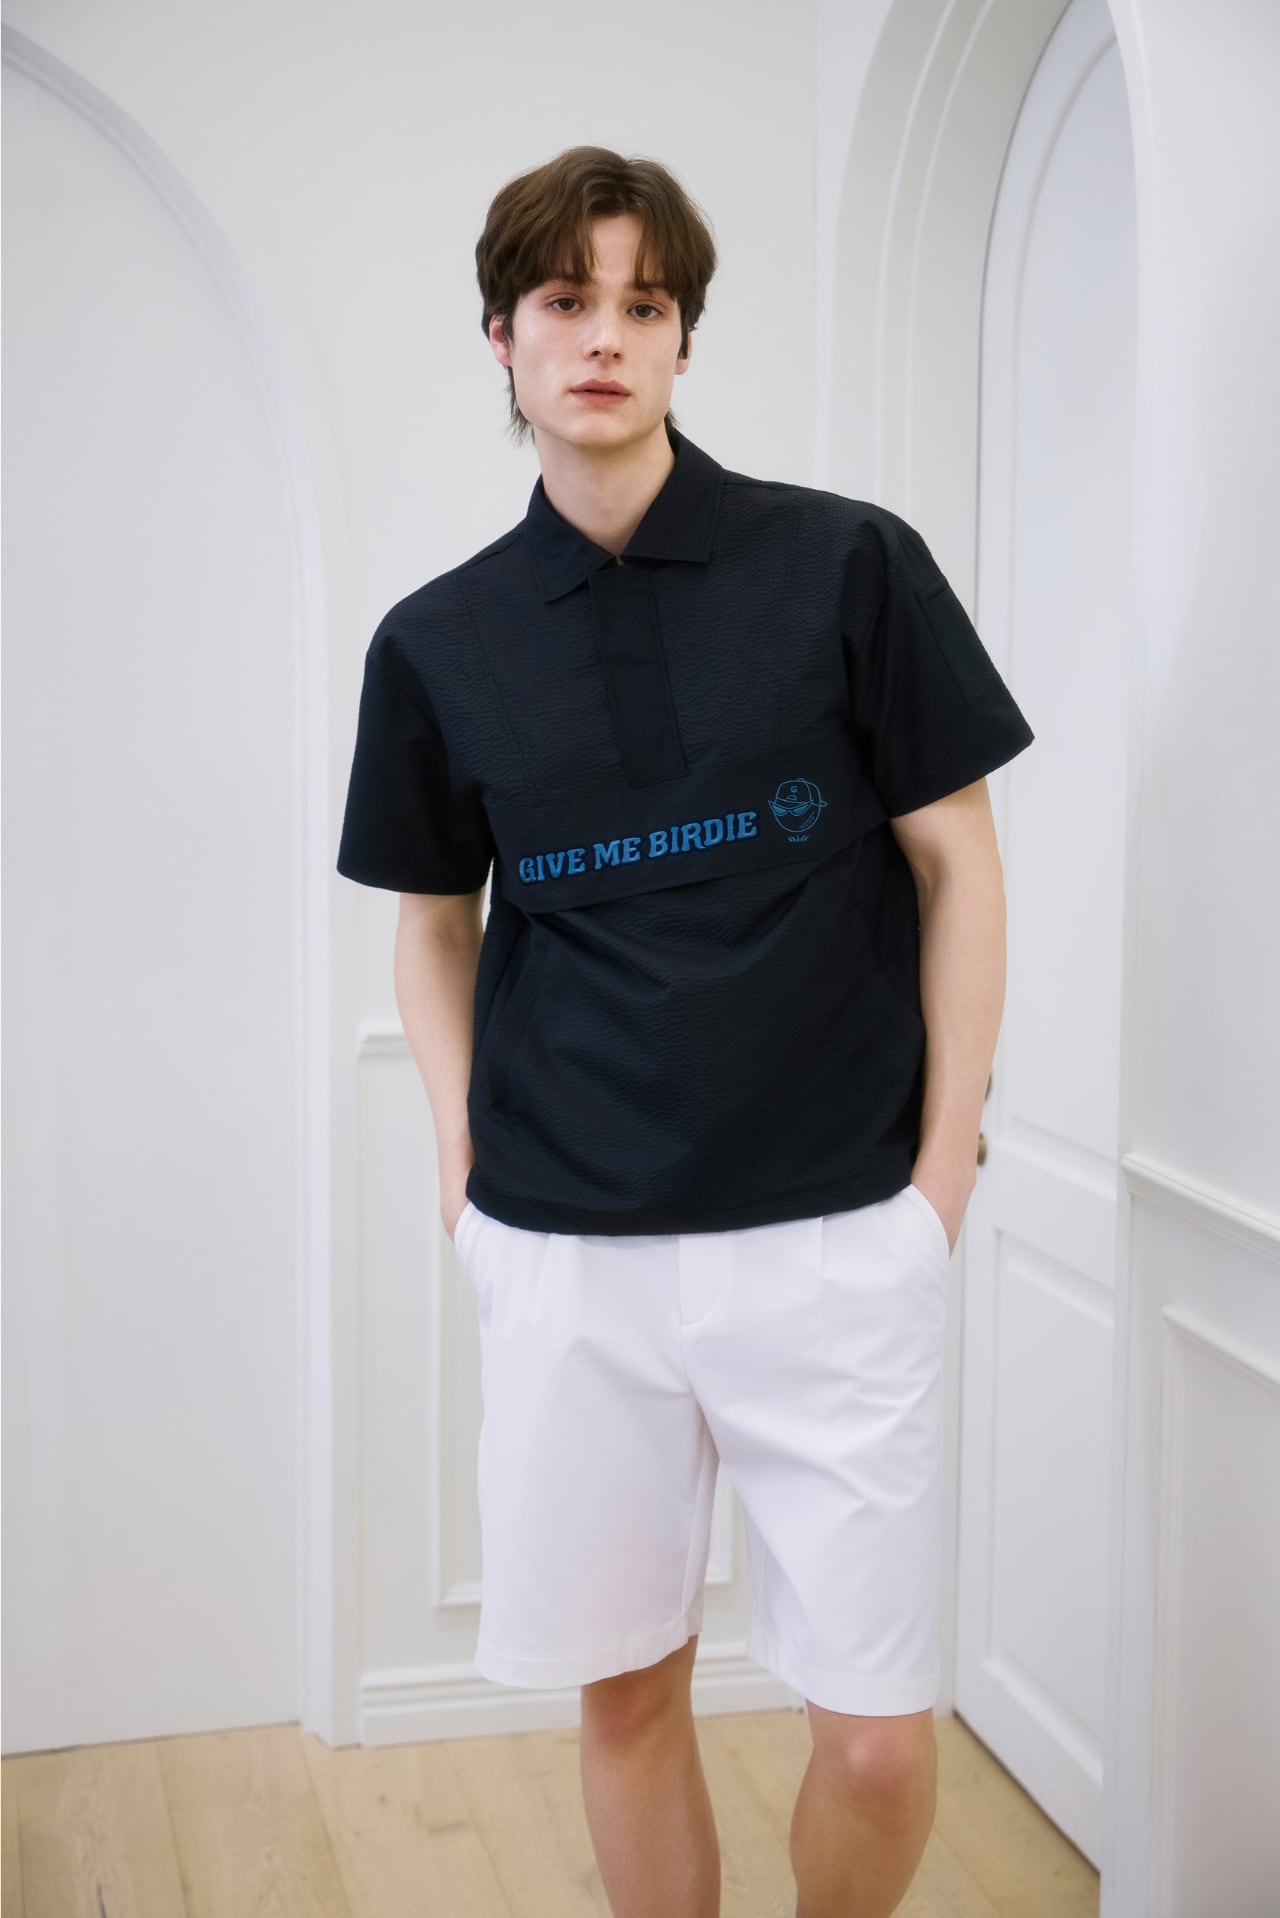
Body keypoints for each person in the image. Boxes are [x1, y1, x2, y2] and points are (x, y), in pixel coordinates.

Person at [336, 144, 1034, 1918]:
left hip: (840, 1231)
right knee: (630, 1692)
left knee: (874, 1739)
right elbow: (434, 923)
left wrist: (941, 1172)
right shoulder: (438, 641)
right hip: (572, 1244)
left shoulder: (847, 565)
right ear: (501, 337)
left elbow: (960, 864)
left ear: (682, 340)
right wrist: (463, 1164)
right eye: (565, 301)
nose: (603, 338)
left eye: (643, 304)